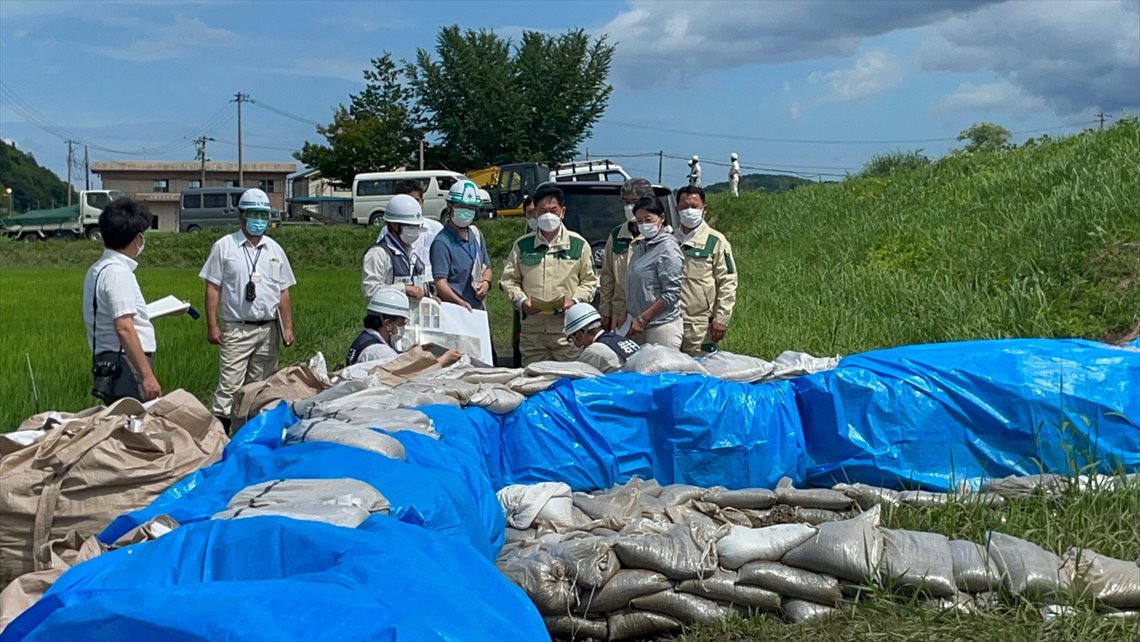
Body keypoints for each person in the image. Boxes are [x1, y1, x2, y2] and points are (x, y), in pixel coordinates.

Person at [200, 188, 296, 427]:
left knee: (261, 387)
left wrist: (288, 327)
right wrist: (212, 325)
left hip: (268, 329)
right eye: (253, 214)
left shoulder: (274, 249)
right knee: (229, 387)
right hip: (236, 328)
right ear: (241, 215)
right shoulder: (224, 247)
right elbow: (213, 288)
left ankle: (250, 436)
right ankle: (220, 439)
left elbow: (283, 291)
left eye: (264, 215)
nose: (259, 220)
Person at [500, 183, 598, 365]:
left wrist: (574, 302)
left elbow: (589, 282)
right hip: (533, 330)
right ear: (535, 213)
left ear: (563, 212)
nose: (548, 215)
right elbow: (509, 280)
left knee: (570, 379)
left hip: (567, 328)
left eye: (553, 210)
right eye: (542, 210)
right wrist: (522, 301)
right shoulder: (522, 245)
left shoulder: (579, 244)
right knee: (533, 380)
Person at [82, 197, 164, 403]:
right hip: (126, 363)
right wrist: (147, 375)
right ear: (137, 239)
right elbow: (124, 327)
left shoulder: (98, 269)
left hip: (108, 360)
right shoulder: (119, 273)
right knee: (134, 427)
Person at [675, 185, 738, 355]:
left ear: (704, 209)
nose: (689, 211)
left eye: (694, 206)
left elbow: (728, 282)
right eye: (684, 206)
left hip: (701, 325)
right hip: (671, 321)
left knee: (700, 373)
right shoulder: (670, 240)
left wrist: (721, 318)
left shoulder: (716, 241)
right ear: (676, 209)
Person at [345, 288, 460, 368]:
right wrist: (444, 359)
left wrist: (410, 354)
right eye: (402, 322)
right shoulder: (380, 352)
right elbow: (407, 375)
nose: (403, 326)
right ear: (389, 324)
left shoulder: (366, 337)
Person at [624, 196, 684, 348]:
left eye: (648, 219)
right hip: (637, 325)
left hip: (661, 326)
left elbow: (672, 292)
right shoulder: (640, 247)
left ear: (662, 218)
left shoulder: (668, 248)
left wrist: (644, 318)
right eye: (639, 221)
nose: (644, 225)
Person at [430, 179, 493, 312]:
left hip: (477, 309)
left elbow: (487, 267)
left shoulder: (476, 235)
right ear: (449, 206)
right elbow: (440, 283)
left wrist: (486, 283)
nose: (466, 211)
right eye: (461, 207)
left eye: (470, 208)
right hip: (454, 310)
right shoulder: (441, 242)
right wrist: (459, 302)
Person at [599, 178, 653, 331]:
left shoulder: (661, 235)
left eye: (634, 201)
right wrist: (605, 312)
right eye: (626, 202)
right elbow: (607, 276)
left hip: (650, 314)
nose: (630, 207)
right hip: (619, 315)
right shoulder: (617, 235)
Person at [361, 193, 429, 303]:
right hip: (385, 318)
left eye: (417, 226)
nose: (415, 231)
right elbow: (370, 291)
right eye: (410, 226)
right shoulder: (378, 254)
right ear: (394, 225)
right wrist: (404, 289)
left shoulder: (410, 253)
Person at [563, 302, 641, 374]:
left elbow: (578, 377)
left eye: (572, 339)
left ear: (579, 335)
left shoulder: (592, 352)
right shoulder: (621, 339)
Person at [395, 179, 443, 274]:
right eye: (407, 201)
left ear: (422, 202)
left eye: (416, 200)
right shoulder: (389, 231)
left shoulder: (436, 229)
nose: (412, 205)